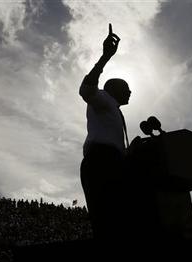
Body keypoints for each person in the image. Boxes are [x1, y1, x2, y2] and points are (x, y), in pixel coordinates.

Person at [79, 24, 131, 243]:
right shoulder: (103, 98)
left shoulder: (113, 110)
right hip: (102, 161)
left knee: (119, 222)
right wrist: (104, 57)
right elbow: (86, 89)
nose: (130, 91)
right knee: (108, 223)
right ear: (113, 89)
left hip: (113, 161)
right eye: (126, 87)